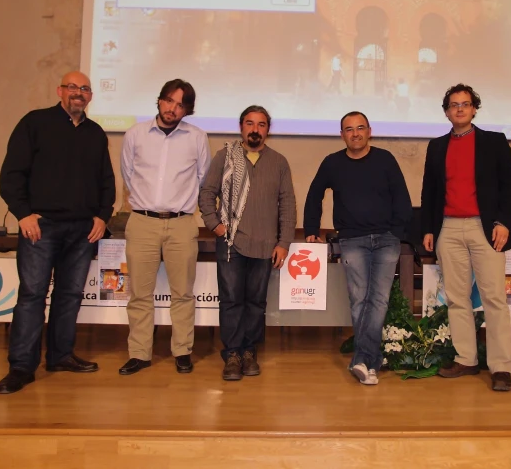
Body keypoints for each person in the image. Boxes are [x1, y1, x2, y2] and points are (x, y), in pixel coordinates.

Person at [0, 71, 116, 394]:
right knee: (32, 296)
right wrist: (23, 214)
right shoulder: (35, 123)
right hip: (41, 227)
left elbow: (106, 181)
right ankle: (22, 367)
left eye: (85, 89)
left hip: (82, 230)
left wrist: (102, 217)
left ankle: (61, 355)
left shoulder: (95, 133)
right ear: (60, 91)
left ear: (91, 96)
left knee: (69, 296)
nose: (79, 93)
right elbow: (11, 175)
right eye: (73, 87)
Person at [420, 83, 511, 392]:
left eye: (465, 104)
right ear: (446, 111)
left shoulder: (494, 142)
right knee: (457, 298)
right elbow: (430, 192)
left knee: (494, 299)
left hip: (485, 229)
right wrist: (428, 228)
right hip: (448, 228)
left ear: (475, 108)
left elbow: (509, 186)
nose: (459, 109)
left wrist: (503, 222)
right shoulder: (436, 146)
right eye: (453, 105)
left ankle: (501, 367)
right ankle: (466, 358)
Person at [304, 111, 412, 385]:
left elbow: (401, 196)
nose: (355, 133)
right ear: (342, 135)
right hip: (352, 240)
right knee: (360, 300)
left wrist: (397, 232)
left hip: (386, 240)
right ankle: (367, 361)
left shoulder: (385, 159)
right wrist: (311, 231)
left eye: (360, 128)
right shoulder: (332, 163)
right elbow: (314, 194)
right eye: (349, 129)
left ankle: (363, 361)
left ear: (369, 131)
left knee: (379, 300)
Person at [118, 79, 211, 376]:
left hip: (182, 223)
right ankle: (140, 353)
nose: (173, 108)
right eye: (169, 101)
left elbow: (202, 179)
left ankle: (182, 351)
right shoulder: (135, 134)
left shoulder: (197, 138)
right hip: (142, 222)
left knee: (183, 293)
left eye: (180, 104)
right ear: (159, 101)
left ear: (187, 110)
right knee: (140, 294)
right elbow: (128, 176)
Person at [199, 106, 296, 381]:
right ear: (241, 127)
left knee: (256, 302)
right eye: (250, 123)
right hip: (231, 243)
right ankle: (232, 354)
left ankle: (249, 351)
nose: (255, 129)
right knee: (231, 301)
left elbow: (287, 204)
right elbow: (207, 192)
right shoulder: (225, 156)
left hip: (265, 245)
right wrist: (214, 224)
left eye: (261, 124)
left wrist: (284, 243)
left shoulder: (278, 162)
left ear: (268, 129)